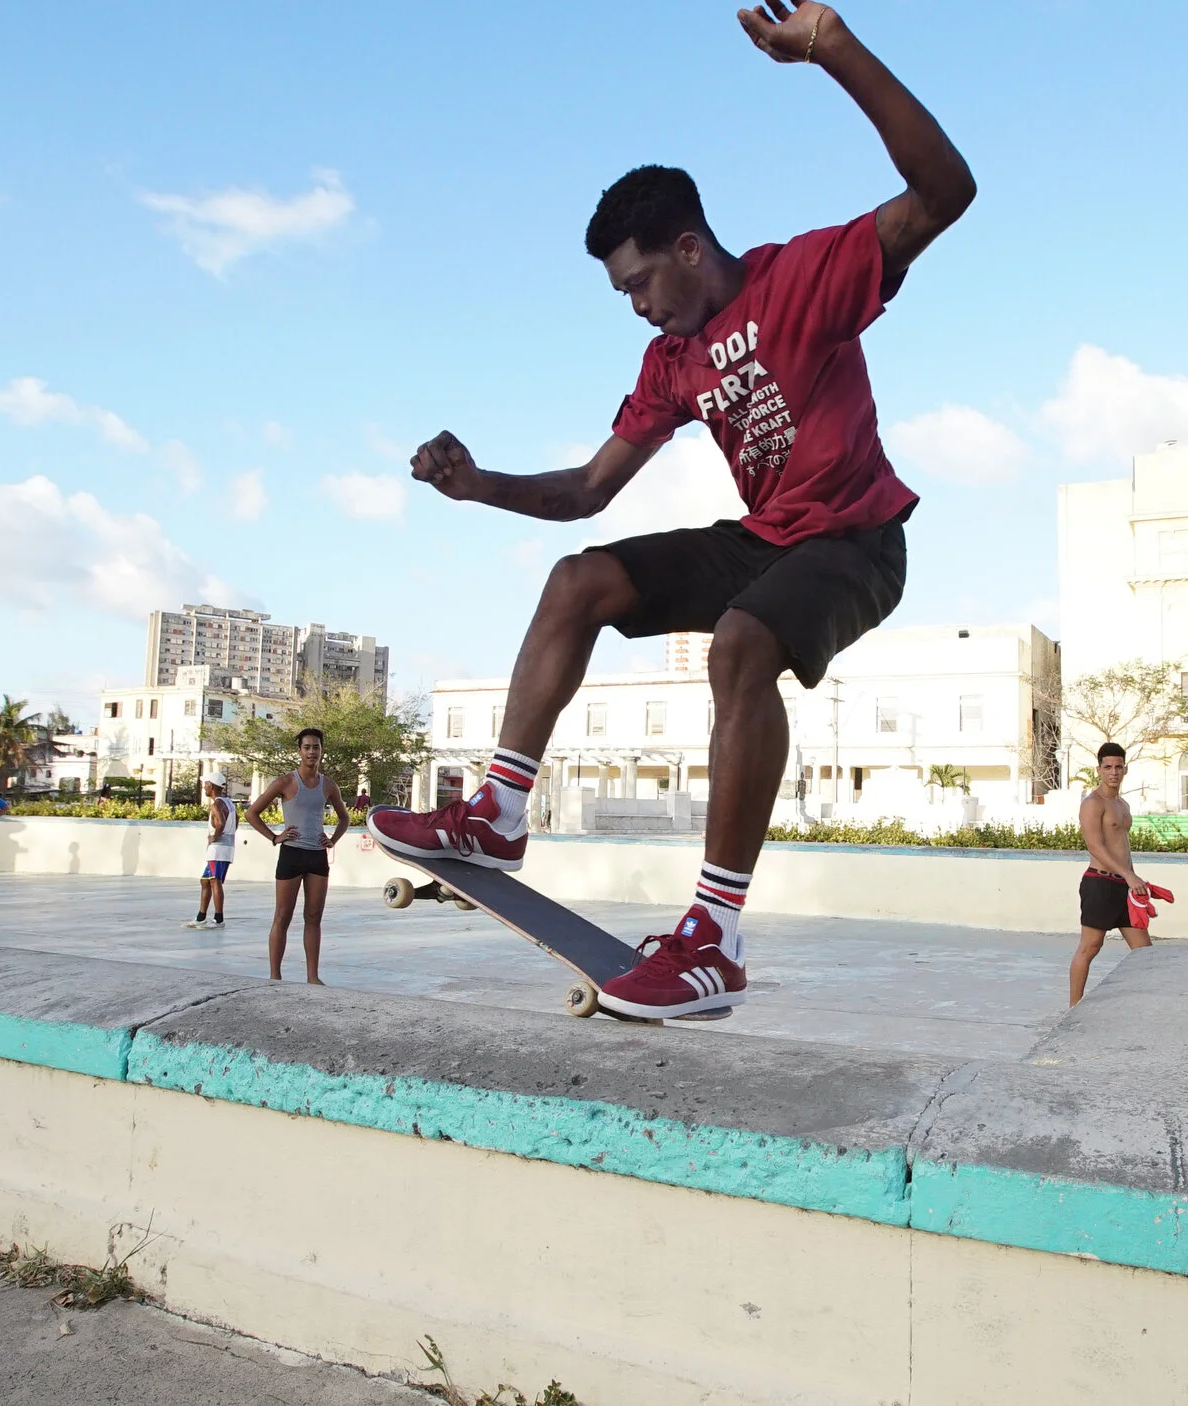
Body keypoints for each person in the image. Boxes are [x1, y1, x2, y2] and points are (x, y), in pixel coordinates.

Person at [368, 1, 974, 1020]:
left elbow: (944, 190)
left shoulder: (806, 278)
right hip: (767, 539)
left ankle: (714, 937)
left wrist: (833, 49)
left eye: (643, 281)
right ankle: (499, 811)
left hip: (858, 540)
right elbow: (585, 493)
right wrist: (479, 485)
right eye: (624, 295)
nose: (641, 308)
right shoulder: (671, 362)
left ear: (689, 248)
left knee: (738, 649)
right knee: (581, 580)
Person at [1071, 743, 1172, 1006]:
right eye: (1107, 767)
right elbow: (1096, 846)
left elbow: (1122, 847)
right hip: (1099, 883)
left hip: (1124, 886)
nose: (1113, 772)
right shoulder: (1093, 803)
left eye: (1118, 767)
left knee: (1144, 954)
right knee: (1090, 947)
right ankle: (1072, 1010)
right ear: (1099, 770)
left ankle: (1145, 1007)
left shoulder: (1123, 804)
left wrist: (1135, 882)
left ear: (1125, 769)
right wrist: (1129, 876)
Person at [246, 728, 350, 982]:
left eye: (316, 747)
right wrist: (274, 837)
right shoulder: (285, 782)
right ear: (299, 751)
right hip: (291, 854)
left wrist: (332, 840)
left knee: (313, 917)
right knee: (283, 916)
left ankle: (312, 977)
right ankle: (275, 975)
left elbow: (344, 817)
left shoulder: (328, 785)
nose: (311, 752)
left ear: (321, 751)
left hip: (316, 856)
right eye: (307, 747)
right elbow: (252, 813)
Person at [187, 772, 236, 930]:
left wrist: (215, 837)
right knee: (205, 881)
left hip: (218, 849)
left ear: (212, 786)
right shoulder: (229, 803)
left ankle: (218, 918)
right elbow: (236, 822)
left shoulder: (216, 804)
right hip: (225, 847)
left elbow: (220, 823)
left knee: (215, 881)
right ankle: (201, 916)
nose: (204, 787)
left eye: (206, 784)